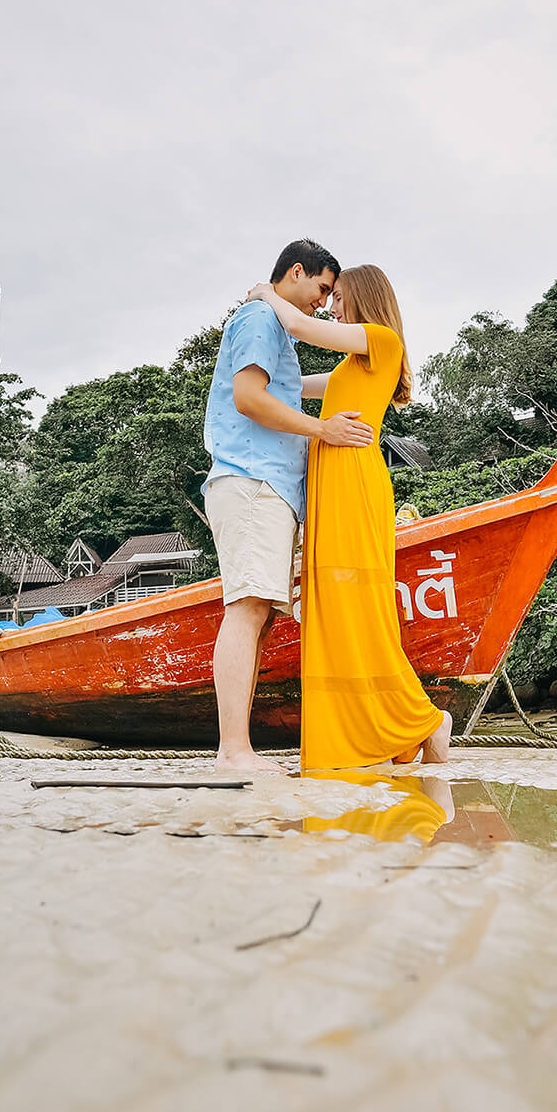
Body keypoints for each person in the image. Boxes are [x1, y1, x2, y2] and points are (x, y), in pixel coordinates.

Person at [246, 264, 452, 771]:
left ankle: (425, 719)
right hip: (331, 485)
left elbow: (300, 327)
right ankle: (384, 731)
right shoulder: (348, 369)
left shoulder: (382, 340)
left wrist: (265, 296)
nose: (332, 305)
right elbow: (288, 388)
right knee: (335, 611)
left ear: (362, 297)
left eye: (337, 296)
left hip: (356, 484)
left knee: (359, 609)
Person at [204, 239, 375, 773]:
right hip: (252, 479)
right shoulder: (261, 317)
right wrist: (323, 429)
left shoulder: (277, 327)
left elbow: (294, 388)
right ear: (296, 272)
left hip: (267, 487)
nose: (324, 302)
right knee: (248, 607)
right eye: (322, 288)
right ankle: (234, 749)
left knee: (261, 615)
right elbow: (250, 399)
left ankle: (238, 746)